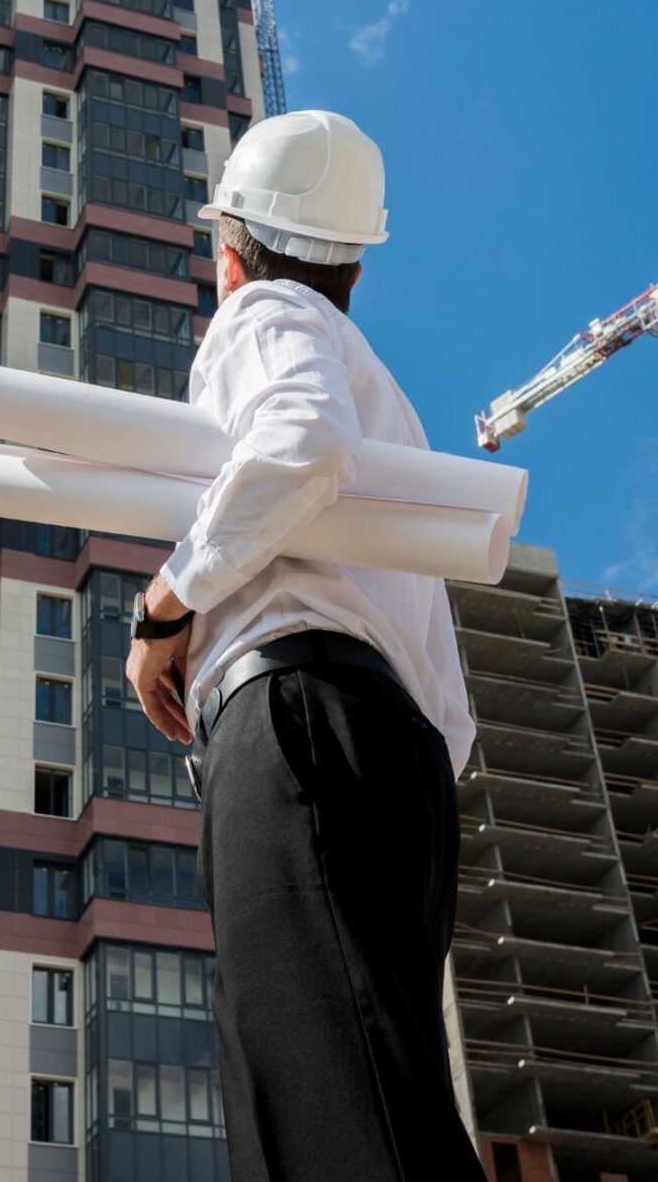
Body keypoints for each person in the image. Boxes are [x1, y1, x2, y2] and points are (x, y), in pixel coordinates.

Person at [125, 109, 487, 1182]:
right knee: (369, 1099)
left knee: (327, 1110)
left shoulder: (266, 317)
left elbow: (298, 437)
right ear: (355, 267)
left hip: (300, 722)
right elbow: (448, 715)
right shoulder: (396, 422)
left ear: (228, 252)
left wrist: (166, 604)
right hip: (394, 759)